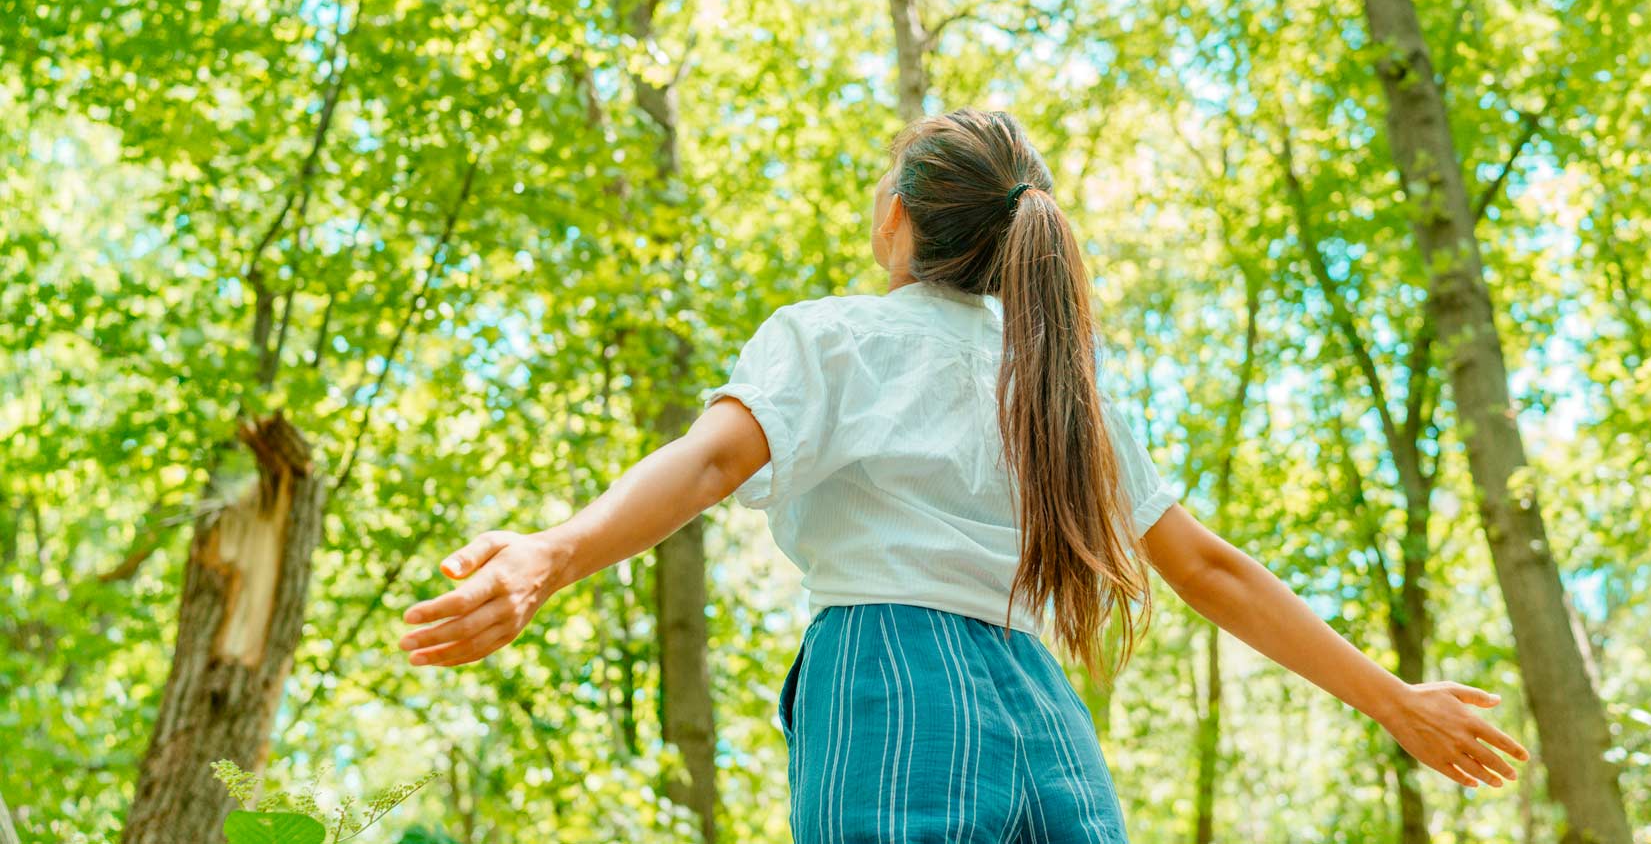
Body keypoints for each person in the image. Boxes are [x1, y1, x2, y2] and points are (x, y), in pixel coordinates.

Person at [399, 107, 1528, 841]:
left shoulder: (836, 335)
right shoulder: (1063, 389)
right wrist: (1394, 699)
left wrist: (553, 551)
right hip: (1041, 709)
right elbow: (1212, 568)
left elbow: (704, 467)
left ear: (898, 218)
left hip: (889, 679)